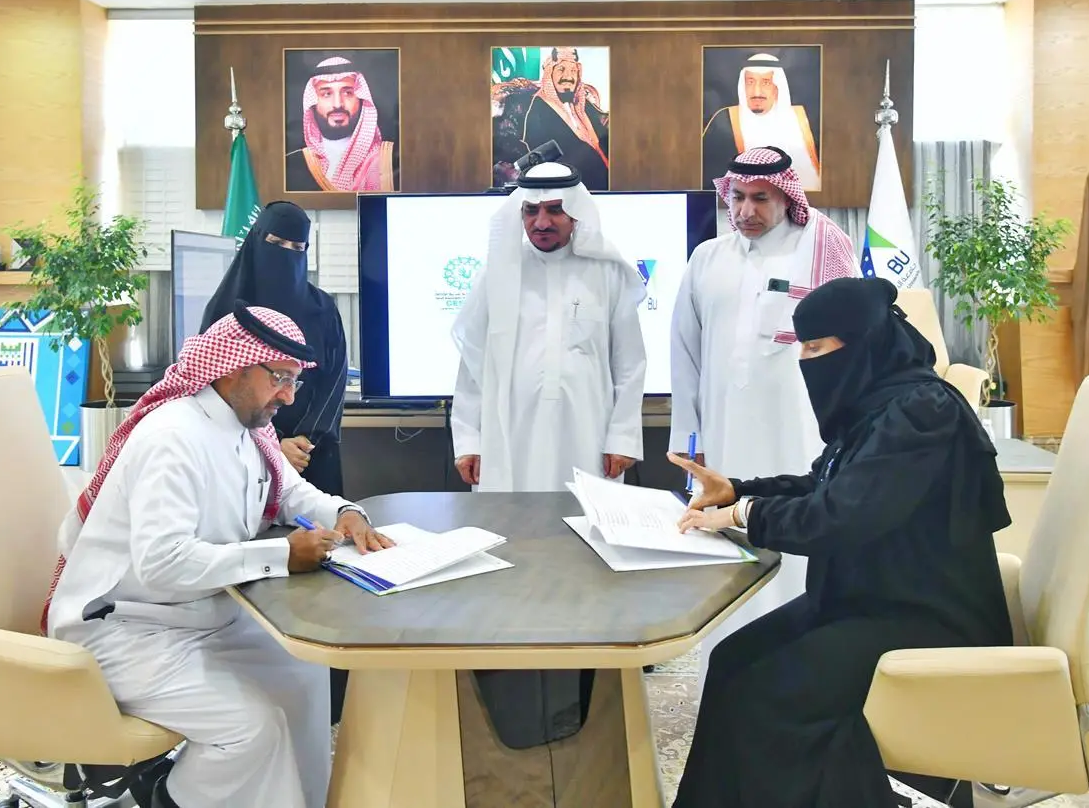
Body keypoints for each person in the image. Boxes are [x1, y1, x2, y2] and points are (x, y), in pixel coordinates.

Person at [668, 277, 1014, 808]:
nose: (805, 361)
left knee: (768, 692)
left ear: (861, 342)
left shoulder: (922, 412)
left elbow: (837, 518)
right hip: (871, 599)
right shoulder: (880, 405)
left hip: (928, 617)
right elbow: (825, 485)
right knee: (733, 660)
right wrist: (737, 489)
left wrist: (741, 514)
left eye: (815, 348)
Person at [44, 304, 394, 808]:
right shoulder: (173, 439)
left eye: (294, 380)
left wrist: (345, 511)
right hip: (125, 630)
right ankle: (165, 797)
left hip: (201, 615)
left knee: (305, 671)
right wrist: (280, 555)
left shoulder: (247, 427)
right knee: (252, 728)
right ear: (234, 368)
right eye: (280, 378)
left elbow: (290, 491)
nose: (289, 396)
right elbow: (162, 564)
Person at [669, 145, 857, 694]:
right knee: (725, 550)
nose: (746, 210)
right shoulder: (708, 258)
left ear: (786, 198)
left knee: (798, 543)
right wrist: (690, 440)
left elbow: (850, 346)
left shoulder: (821, 248)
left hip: (801, 436)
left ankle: (801, 675)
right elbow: (685, 353)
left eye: (761, 198)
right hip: (725, 436)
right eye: (738, 197)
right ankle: (726, 674)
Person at [450, 159, 647, 492]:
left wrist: (622, 437)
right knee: (509, 520)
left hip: (588, 435)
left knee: (586, 516)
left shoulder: (607, 272)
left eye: (555, 210)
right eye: (531, 211)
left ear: (575, 213)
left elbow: (630, 364)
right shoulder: (498, 272)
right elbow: (473, 363)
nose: (541, 222)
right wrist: (469, 439)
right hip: (509, 436)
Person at [200, 202, 349, 497]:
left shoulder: (322, 308)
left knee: (318, 522)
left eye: (297, 247)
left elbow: (334, 381)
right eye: (277, 243)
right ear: (257, 241)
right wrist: (274, 444)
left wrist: (304, 442)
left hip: (310, 457)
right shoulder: (228, 311)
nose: (287, 253)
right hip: (243, 450)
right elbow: (217, 390)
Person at [491, 47, 611, 190]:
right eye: (561, 69)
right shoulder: (532, 105)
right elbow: (514, 144)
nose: (568, 77)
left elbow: (602, 129)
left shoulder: (583, 104)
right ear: (550, 73)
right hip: (568, 183)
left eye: (573, 70)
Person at [702, 51, 822, 190]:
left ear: (777, 87)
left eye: (766, 82)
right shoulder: (724, 120)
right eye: (750, 82)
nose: (757, 92)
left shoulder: (805, 119)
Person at [285, 54, 395, 192]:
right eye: (326, 94)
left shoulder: (390, 159)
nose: (338, 104)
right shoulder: (293, 164)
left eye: (347, 93)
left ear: (361, 99)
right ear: (313, 102)